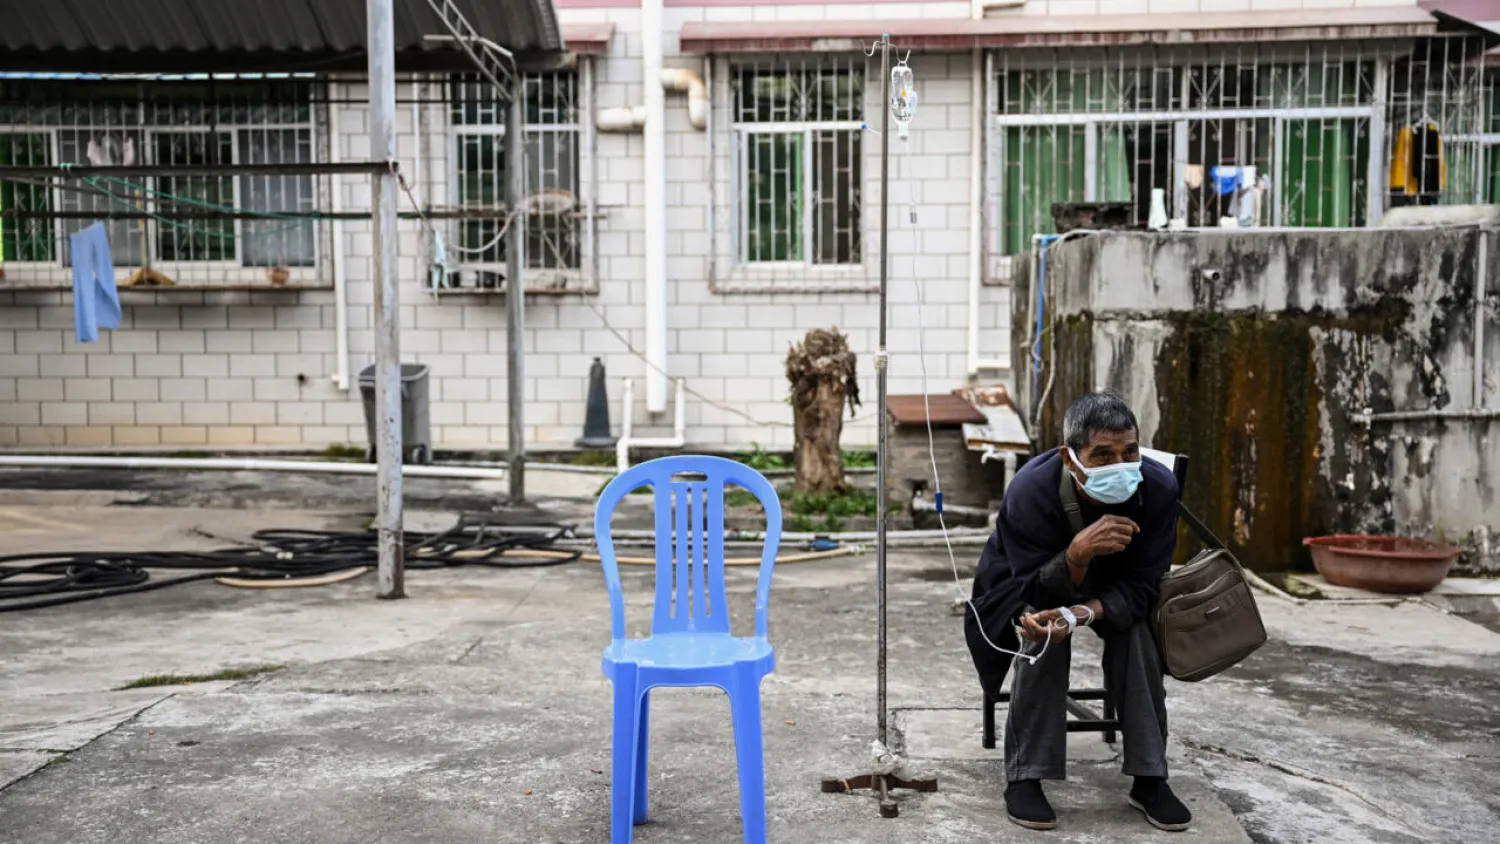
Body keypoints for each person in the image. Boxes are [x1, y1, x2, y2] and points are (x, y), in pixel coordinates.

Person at [964, 391, 1191, 832]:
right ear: (1070, 458)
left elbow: (1145, 583)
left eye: (1130, 451)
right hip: (1029, 581)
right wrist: (1077, 553)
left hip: (1118, 590)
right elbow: (1028, 582)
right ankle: (1026, 775)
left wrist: (1083, 613)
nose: (1120, 464)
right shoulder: (1031, 489)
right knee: (1040, 631)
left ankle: (1149, 776)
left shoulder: (1159, 487)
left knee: (1139, 636)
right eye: (1102, 454)